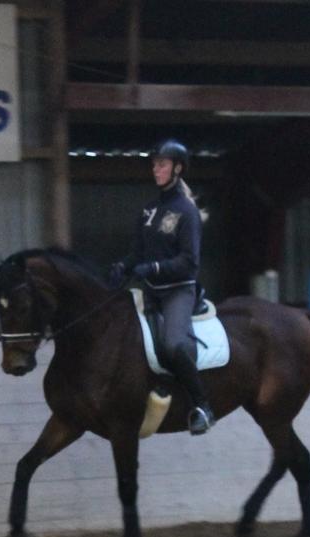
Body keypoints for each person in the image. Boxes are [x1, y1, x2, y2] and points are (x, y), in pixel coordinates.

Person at [109, 138, 214, 435]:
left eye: (162, 165)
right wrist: (123, 267)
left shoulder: (186, 212)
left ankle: (202, 405)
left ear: (177, 168)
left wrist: (153, 268)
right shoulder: (149, 209)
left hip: (178, 291)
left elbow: (189, 262)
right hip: (150, 290)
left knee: (173, 344)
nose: (156, 170)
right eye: (154, 164)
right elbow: (138, 252)